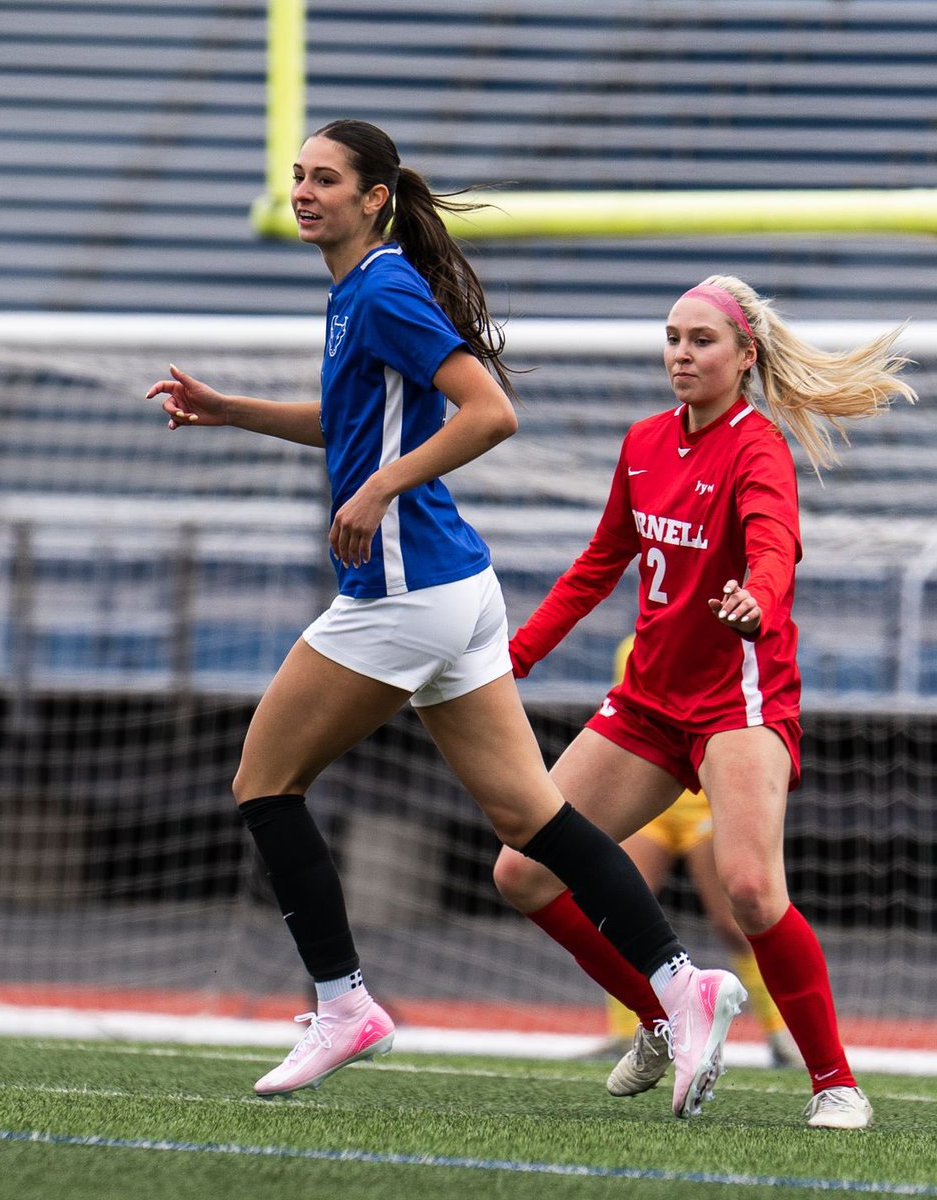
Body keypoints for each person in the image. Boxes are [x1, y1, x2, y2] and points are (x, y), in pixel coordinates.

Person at [146, 120, 743, 1115]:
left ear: (374, 197)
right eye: (297, 176)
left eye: (325, 178)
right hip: (456, 590)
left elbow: (490, 412)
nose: (303, 191)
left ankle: (343, 1005)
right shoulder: (358, 290)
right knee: (532, 820)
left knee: (264, 783)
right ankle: (684, 986)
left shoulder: (381, 288)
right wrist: (231, 409)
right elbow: (351, 423)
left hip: (404, 592)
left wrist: (381, 488)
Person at [493, 274, 916, 1130]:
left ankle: (836, 1084)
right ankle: (662, 1017)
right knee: (523, 872)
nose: (681, 354)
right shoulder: (644, 441)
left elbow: (775, 543)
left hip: (738, 703)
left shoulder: (758, 447)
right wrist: (515, 656)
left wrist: (760, 596)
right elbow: (599, 564)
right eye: (673, 338)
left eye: (701, 340)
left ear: (744, 355)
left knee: (752, 890)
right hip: (648, 703)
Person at [595, 639, 802, 1076]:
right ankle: (628, 1031)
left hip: (702, 798)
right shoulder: (630, 648)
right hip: (651, 800)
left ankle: (781, 1032)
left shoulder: (724, 646)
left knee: (737, 920)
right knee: (618, 914)